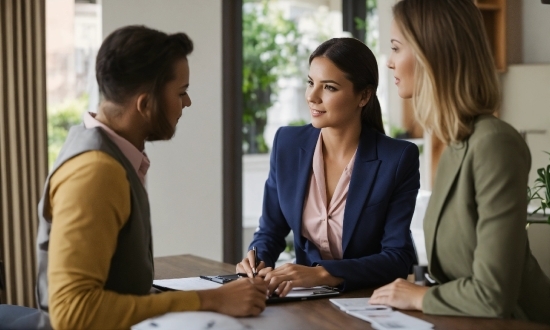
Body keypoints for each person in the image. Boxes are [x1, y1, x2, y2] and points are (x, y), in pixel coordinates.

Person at [35, 25, 267, 330]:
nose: (187, 103)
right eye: (181, 92)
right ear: (145, 104)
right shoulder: (96, 173)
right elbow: (72, 313)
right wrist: (210, 300)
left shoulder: (105, 152)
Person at [369, 0, 550, 324]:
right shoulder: (454, 146)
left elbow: (493, 293)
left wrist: (420, 296)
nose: (390, 63)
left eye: (396, 48)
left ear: (430, 53)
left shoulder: (493, 143)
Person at [237, 38, 420, 297]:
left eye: (329, 88)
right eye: (311, 83)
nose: (312, 97)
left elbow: (398, 257)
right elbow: (270, 230)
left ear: (364, 96)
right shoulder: (287, 144)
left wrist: (322, 273)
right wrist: (257, 261)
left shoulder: (398, 158)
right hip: (305, 302)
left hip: (367, 300)